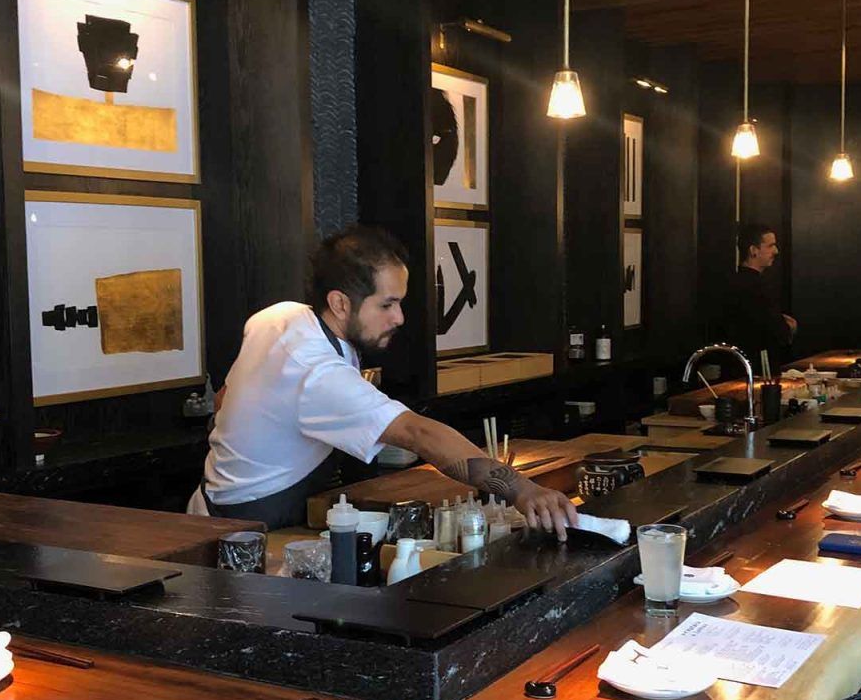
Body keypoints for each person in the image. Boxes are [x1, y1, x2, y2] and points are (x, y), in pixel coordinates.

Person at [187, 226, 579, 536]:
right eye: (387, 305)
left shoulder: (279, 316)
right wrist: (523, 490)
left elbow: (226, 397)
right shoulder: (318, 373)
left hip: (211, 506)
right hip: (246, 530)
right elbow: (418, 433)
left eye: (400, 302)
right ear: (340, 303)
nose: (399, 318)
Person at [722, 223, 795, 368]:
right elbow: (775, 331)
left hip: (734, 364)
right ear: (753, 250)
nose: (776, 251)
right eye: (770, 246)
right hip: (757, 366)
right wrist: (789, 326)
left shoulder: (730, 283)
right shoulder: (758, 287)